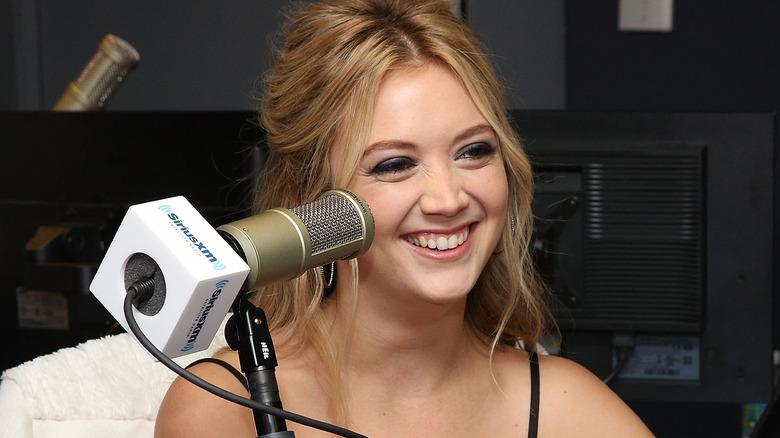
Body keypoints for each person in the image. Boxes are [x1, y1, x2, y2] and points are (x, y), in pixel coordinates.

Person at [155, 1, 654, 437]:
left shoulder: (565, 409)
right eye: (394, 164)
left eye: (474, 151)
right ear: (314, 201)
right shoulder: (223, 407)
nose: (447, 198)